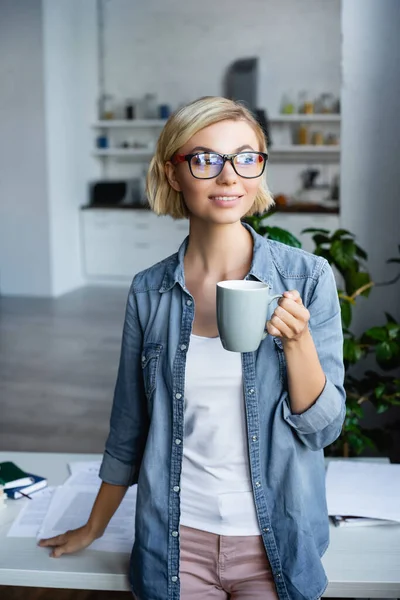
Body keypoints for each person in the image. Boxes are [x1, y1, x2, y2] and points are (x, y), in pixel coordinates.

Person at [39, 96, 345, 600]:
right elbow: (128, 427)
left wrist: (297, 343)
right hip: (175, 542)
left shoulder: (305, 278)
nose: (229, 177)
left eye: (246, 157)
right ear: (174, 173)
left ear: (260, 168)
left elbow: (325, 429)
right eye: (206, 159)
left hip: (278, 542)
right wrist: (93, 527)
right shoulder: (148, 290)